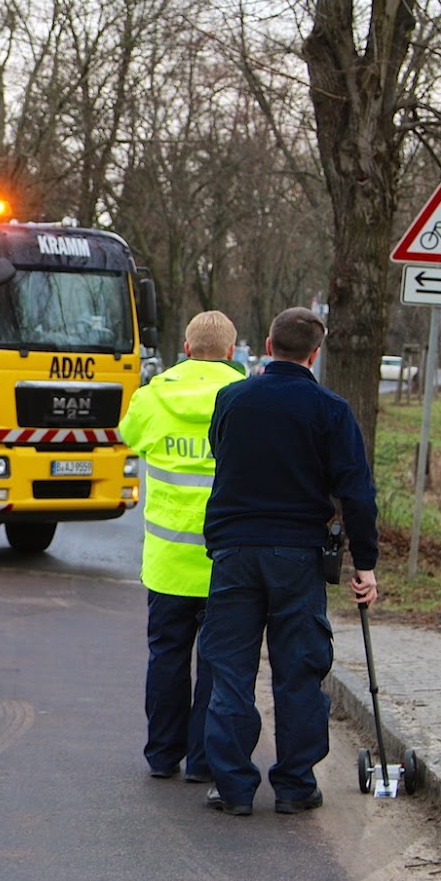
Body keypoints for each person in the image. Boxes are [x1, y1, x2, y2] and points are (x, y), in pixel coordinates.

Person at [200, 306, 379, 817]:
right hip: (298, 555)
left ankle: (232, 787)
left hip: (234, 552)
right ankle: (296, 786)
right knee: (298, 668)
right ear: (314, 354)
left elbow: (222, 453)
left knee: (230, 668)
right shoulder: (331, 409)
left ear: (267, 343)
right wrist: (364, 563)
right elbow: (357, 492)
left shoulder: (231, 399)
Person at [119, 310, 246, 784]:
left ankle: (161, 754)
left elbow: (128, 437)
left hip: (168, 561)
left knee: (167, 657)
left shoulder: (152, 398)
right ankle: (204, 760)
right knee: (218, 662)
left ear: (187, 349)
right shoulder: (243, 400)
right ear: (232, 352)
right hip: (226, 560)